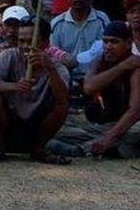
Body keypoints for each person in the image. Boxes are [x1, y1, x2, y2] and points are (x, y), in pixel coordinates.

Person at [0, 17, 71, 164]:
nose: (25, 46)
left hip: (38, 125)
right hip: (9, 123)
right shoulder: (9, 55)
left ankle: (39, 149)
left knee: (61, 106)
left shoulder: (57, 67)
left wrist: (50, 69)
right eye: (21, 41)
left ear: (46, 43)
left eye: (32, 42)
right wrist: (14, 86)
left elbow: (64, 98)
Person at [57, 21, 140, 158]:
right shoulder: (99, 61)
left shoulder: (136, 67)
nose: (108, 47)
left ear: (128, 43)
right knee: (60, 126)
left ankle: (94, 147)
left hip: (131, 124)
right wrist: (121, 67)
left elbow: (135, 111)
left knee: (136, 131)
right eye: (105, 41)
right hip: (106, 126)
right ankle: (105, 147)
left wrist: (108, 137)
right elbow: (89, 87)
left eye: (114, 42)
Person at [49, 0, 109, 77]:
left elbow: (107, 51)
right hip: (66, 78)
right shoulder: (57, 23)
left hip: (95, 77)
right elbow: (52, 53)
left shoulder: (102, 20)